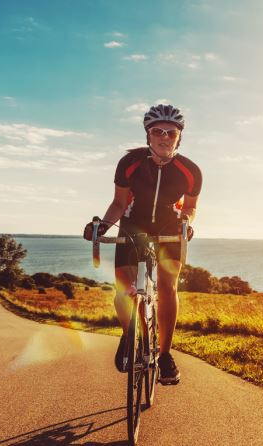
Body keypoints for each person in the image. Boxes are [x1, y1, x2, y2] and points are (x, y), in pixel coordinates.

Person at [84, 104, 202, 385]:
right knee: (124, 288)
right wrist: (102, 227)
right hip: (132, 225)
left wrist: (186, 223)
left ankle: (164, 355)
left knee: (167, 285)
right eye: (157, 131)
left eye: (170, 133)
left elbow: (191, 207)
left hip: (168, 228)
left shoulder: (190, 171)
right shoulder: (130, 163)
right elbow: (118, 203)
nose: (164, 136)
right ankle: (130, 336)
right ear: (148, 135)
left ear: (179, 137)